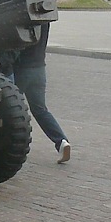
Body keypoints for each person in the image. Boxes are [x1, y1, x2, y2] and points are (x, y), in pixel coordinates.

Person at [13, 22, 71, 163]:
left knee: (10, 110)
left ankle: (7, 146)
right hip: (39, 68)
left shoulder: (27, 16)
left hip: (22, 70)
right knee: (40, 110)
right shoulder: (44, 18)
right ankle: (61, 141)